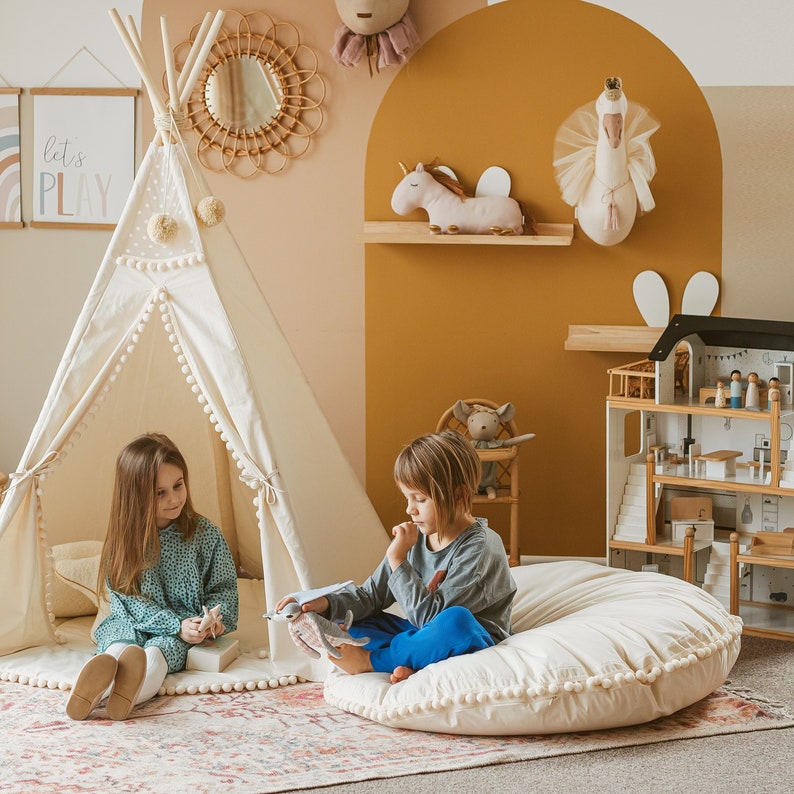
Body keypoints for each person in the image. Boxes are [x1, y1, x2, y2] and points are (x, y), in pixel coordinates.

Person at [275, 430, 516, 684]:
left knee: (456, 621)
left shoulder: (481, 546)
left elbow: (433, 619)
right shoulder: (418, 537)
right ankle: (410, 659)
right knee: (351, 620)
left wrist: (398, 560)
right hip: (421, 634)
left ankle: (371, 661)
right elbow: (371, 596)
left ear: (459, 495)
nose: (409, 510)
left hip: (469, 639)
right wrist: (325, 604)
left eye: (420, 499)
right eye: (407, 498)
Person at [65, 433, 238, 721]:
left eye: (178, 485)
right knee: (119, 648)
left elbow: (224, 589)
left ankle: (116, 698)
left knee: (156, 656)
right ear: (135, 496)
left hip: (182, 632)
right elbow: (127, 600)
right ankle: (94, 689)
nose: (174, 498)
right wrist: (174, 623)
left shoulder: (205, 535)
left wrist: (214, 622)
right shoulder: (123, 541)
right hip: (131, 623)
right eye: (160, 493)